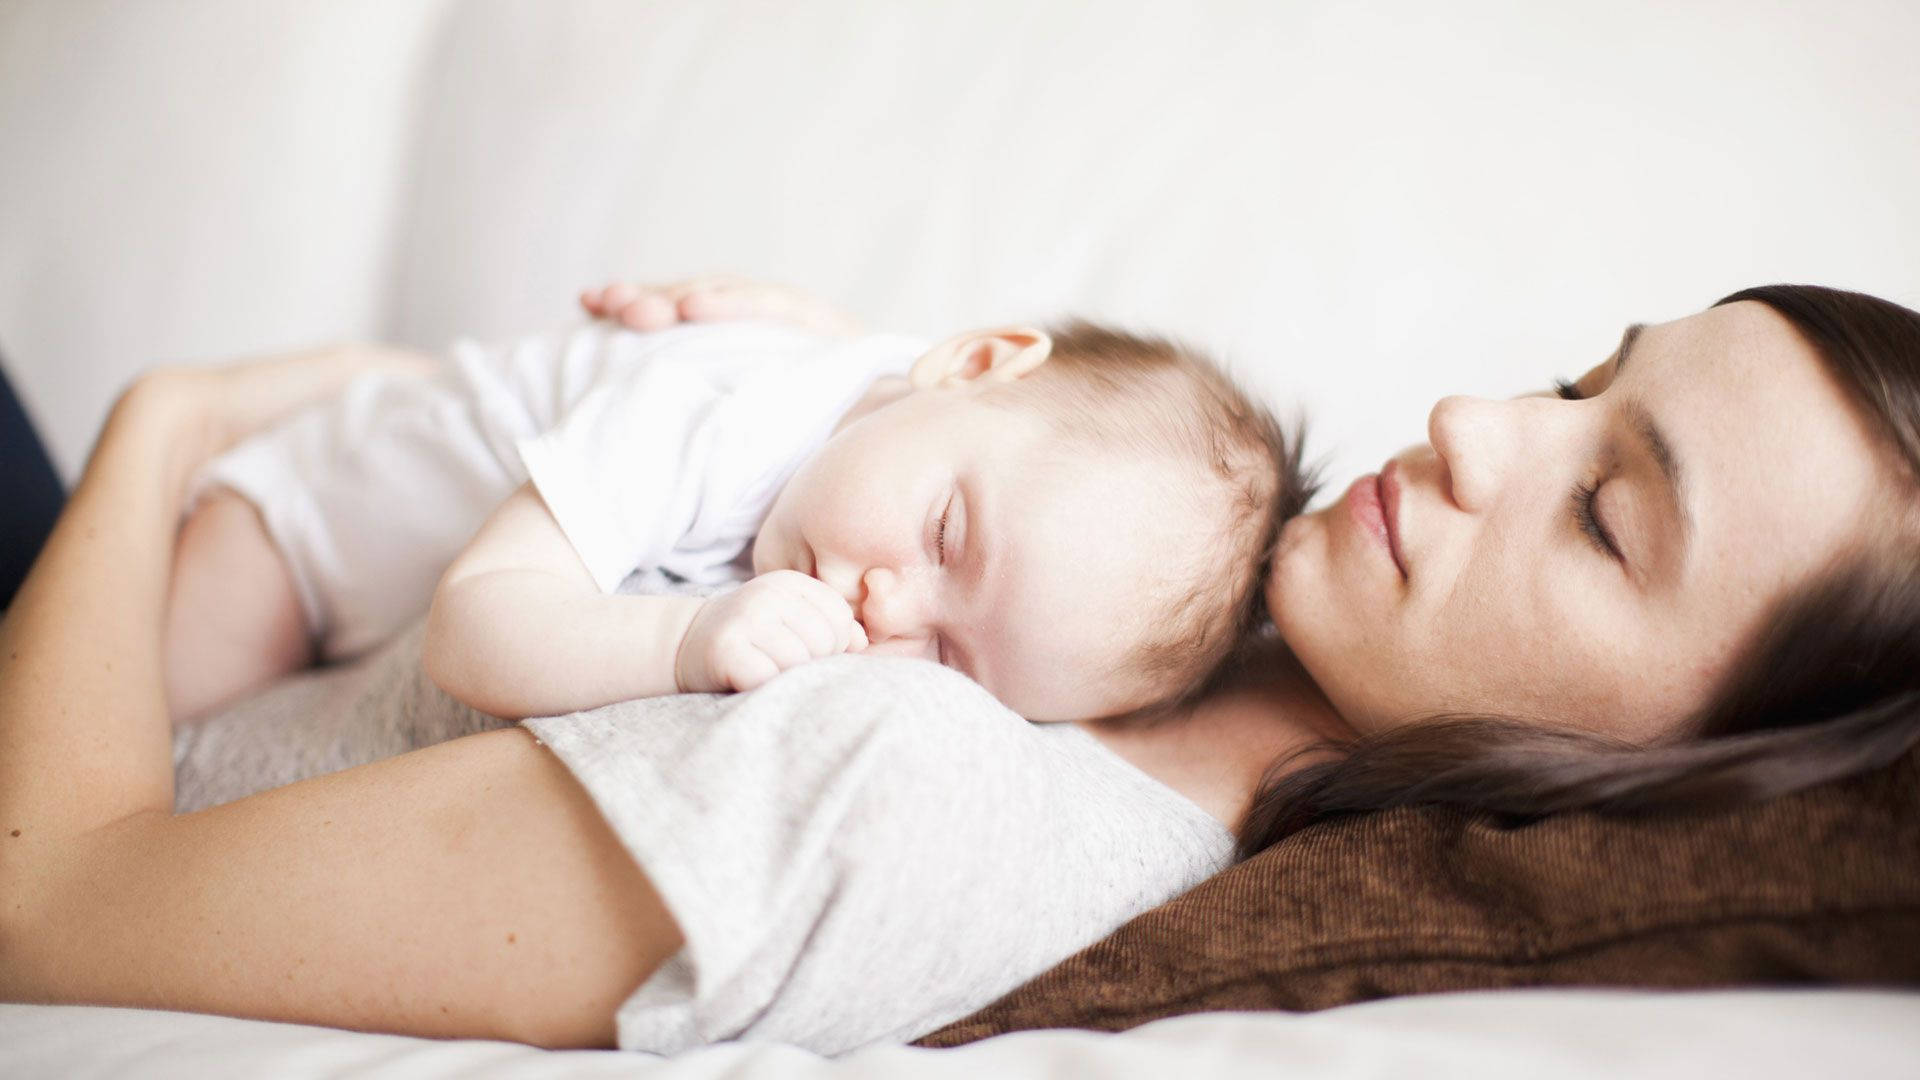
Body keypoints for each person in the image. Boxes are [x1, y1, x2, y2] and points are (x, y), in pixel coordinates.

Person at [3, 282, 1917, 1052]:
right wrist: (812, 376)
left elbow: (43, 901)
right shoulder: (1178, 584)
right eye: (1589, 383)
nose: (1478, 422)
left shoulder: (925, 802)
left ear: (1675, 777)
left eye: (1605, 515)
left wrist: (171, 426)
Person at [165, 282, 1305, 727]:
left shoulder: (934, 426)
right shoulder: (708, 419)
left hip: (366, 586)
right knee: (141, 735)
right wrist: (685, 637)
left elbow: (859, 362)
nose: (884, 610)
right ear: (969, 363)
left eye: (952, 661)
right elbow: (473, 628)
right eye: (944, 536)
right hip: (295, 523)